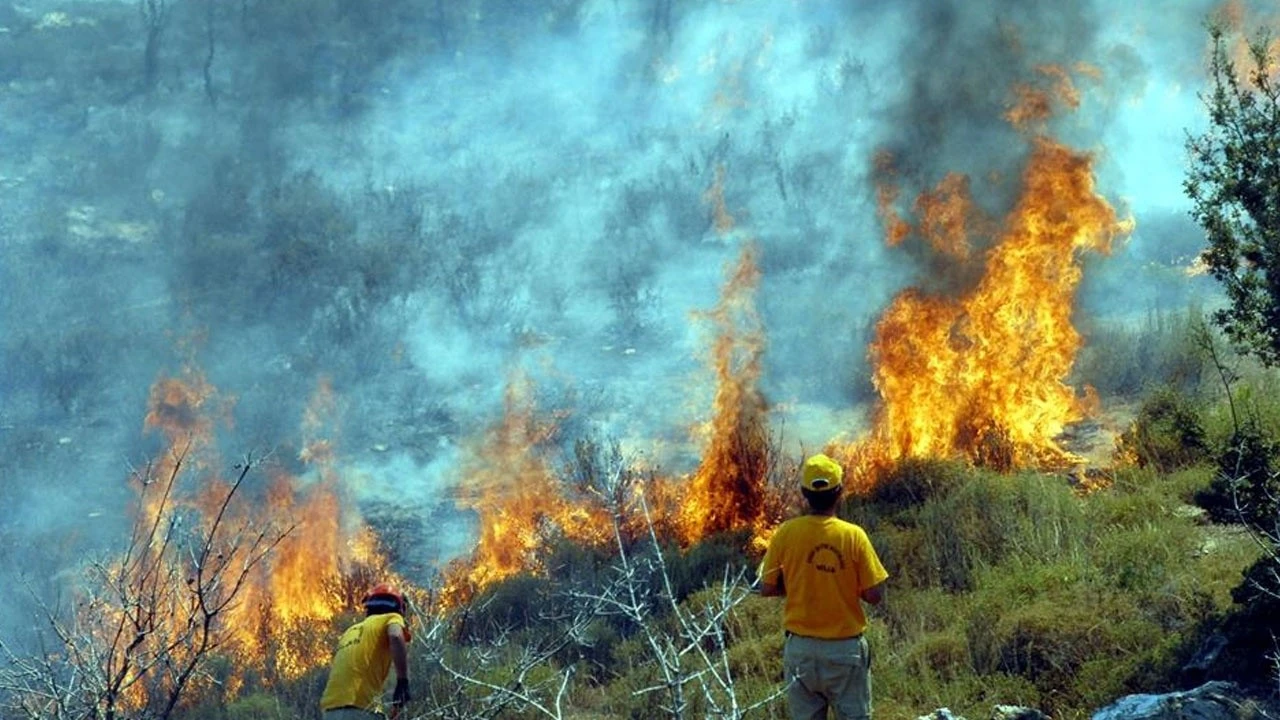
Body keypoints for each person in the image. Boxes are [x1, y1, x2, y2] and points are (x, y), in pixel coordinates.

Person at [758, 453, 888, 720]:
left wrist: (797, 582)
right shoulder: (853, 536)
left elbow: (766, 587)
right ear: (839, 492)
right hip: (844, 653)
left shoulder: (785, 533)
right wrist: (845, 583)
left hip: (800, 652)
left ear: (804, 493)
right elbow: (875, 595)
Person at [320, 584, 413, 719]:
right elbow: (396, 635)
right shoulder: (391, 618)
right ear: (398, 607)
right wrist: (402, 682)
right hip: (361, 709)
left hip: (331, 711)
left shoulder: (350, 631)